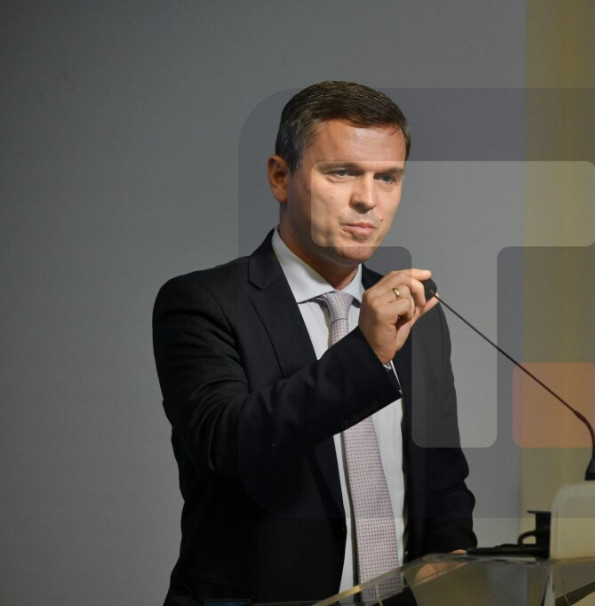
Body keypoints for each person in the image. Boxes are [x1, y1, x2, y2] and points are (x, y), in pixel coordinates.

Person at [153, 81, 476, 605]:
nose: (367, 199)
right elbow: (223, 446)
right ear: (280, 177)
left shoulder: (416, 314)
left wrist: (453, 558)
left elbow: (440, 478)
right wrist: (365, 355)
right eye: (341, 172)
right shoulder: (201, 302)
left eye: (387, 177)